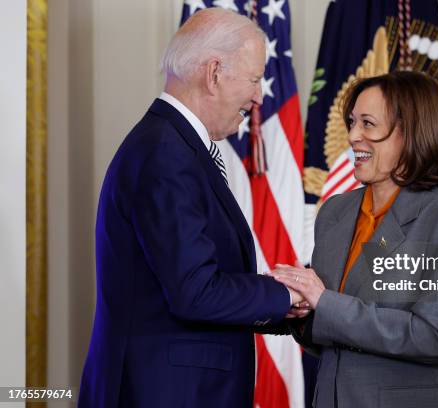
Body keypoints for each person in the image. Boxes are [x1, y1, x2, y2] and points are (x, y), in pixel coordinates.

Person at [78, 8, 302, 408]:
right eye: (253, 79)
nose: (258, 97)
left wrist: (293, 309)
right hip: (163, 394)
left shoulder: (173, 145)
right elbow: (196, 291)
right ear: (214, 73)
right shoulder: (167, 153)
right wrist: (287, 294)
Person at [273, 71, 438, 408]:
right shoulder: (334, 213)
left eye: (368, 124)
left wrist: (323, 302)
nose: (353, 136)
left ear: (410, 132)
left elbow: (434, 336)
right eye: (352, 122)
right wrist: (299, 310)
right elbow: (330, 329)